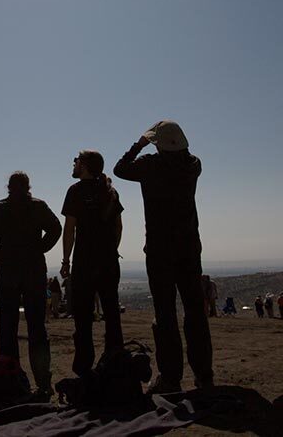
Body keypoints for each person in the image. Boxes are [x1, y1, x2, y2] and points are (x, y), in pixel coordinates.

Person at [114, 120, 213, 393]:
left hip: (159, 249)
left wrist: (140, 144)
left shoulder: (150, 166)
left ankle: (170, 378)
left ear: (158, 143)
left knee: (165, 314)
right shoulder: (193, 165)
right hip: (190, 248)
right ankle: (204, 376)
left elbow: (119, 169)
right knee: (195, 313)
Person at [0, 171, 62, 398]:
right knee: (37, 328)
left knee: (7, 328)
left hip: (7, 272)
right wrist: (40, 249)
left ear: (8, 187)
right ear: (28, 186)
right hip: (34, 271)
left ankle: (10, 381)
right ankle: (43, 383)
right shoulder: (38, 206)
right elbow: (56, 228)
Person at [60, 150, 125, 379]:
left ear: (84, 165)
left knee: (83, 318)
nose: (74, 163)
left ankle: (84, 369)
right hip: (109, 261)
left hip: (84, 262)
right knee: (111, 314)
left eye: (76, 160)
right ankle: (115, 363)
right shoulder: (110, 191)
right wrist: (111, 249)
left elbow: (70, 230)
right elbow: (118, 227)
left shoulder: (75, 192)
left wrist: (66, 259)